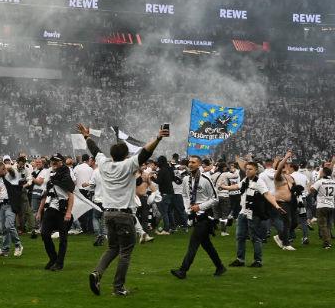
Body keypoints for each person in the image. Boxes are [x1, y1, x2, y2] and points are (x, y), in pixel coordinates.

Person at [79, 123, 166, 296]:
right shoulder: (129, 165)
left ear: (111, 154)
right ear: (126, 155)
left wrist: (86, 136)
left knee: (112, 248)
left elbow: (94, 150)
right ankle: (118, 288)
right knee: (125, 252)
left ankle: (97, 273)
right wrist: (158, 138)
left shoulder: (103, 164)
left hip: (108, 213)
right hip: (124, 214)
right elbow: (145, 152)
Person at [170, 155, 226, 279]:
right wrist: (188, 208)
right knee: (206, 244)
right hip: (194, 215)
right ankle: (220, 266)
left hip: (205, 216)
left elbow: (215, 198)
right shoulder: (186, 179)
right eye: (189, 162)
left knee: (193, 243)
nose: (190, 164)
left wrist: (200, 207)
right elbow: (185, 195)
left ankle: (183, 270)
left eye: (193, 162)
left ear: (199, 164)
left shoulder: (206, 179)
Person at [229, 158, 284, 268]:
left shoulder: (259, 182)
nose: (247, 171)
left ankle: (258, 261)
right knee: (240, 236)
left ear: (256, 171)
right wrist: (224, 187)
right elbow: (237, 186)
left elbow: (267, 194)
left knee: (255, 237)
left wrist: (276, 205)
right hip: (243, 212)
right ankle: (240, 259)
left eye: (250, 169)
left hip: (253, 213)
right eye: (246, 169)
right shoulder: (246, 180)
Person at [36, 154, 75, 272]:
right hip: (51, 208)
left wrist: (68, 212)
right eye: (52, 161)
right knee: (44, 233)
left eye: (56, 161)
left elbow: (71, 195)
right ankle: (53, 258)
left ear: (61, 162)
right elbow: (45, 194)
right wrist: (39, 211)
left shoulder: (67, 174)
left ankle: (59, 263)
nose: (54, 162)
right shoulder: (49, 173)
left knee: (63, 238)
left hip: (62, 210)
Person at [310, 166, 334, 249]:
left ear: (323, 173)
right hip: (331, 205)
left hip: (322, 206)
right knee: (328, 225)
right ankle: (328, 241)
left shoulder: (320, 181)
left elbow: (311, 189)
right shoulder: (333, 182)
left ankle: (327, 243)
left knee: (323, 225)